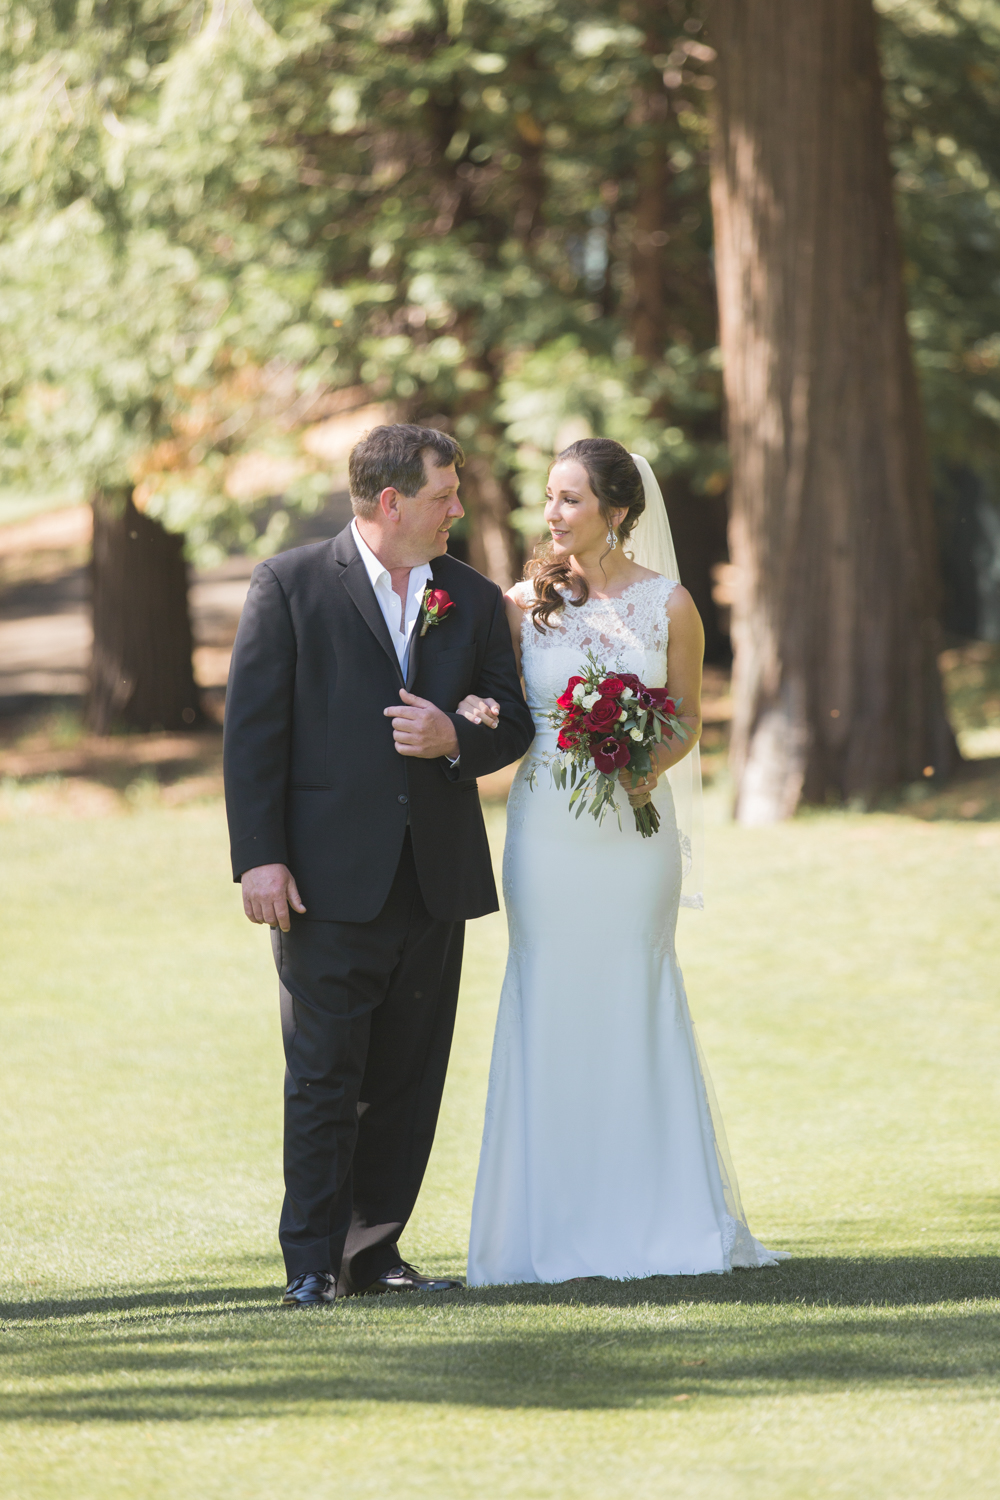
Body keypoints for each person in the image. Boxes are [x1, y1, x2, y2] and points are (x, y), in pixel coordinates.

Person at [461, 438, 787, 1284]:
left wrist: (639, 764)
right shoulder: (522, 603)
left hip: (633, 838)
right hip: (546, 836)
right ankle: (543, 1225)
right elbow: (495, 705)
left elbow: (685, 720)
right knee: (549, 996)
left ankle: (661, 1215)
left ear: (618, 511)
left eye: (570, 499)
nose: (553, 514)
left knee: (635, 997)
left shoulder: (670, 606)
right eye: (549, 498)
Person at [224, 423, 535, 1307]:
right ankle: (312, 1265)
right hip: (323, 882)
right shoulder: (288, 585)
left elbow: (512, 720)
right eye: (444, 496)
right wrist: (261, 861)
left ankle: (375, 1252)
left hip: (434, 876)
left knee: (407, 1074)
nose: (457, 511)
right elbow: (253, 738)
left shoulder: (471, 598)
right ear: (392, 502)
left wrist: (456, 738)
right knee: (325, 1075)